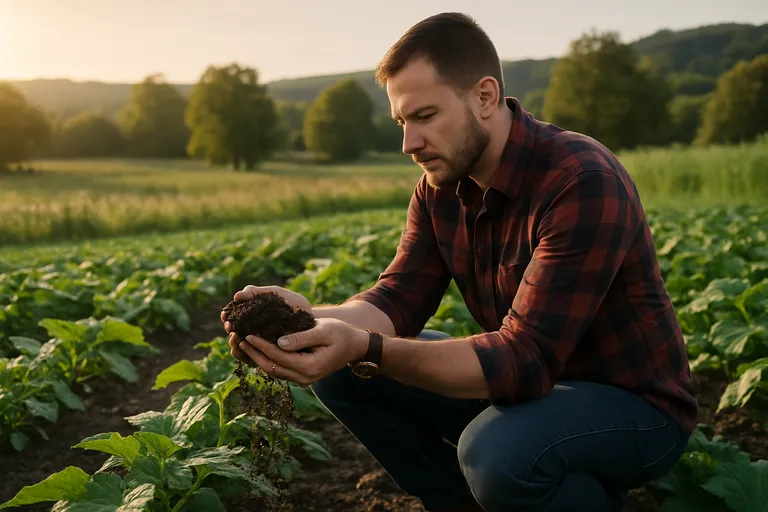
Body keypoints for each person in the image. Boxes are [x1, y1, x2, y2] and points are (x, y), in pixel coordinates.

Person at [221, 12, 698, 512]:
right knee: (346, 371)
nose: (409, 144)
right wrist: (308, 320)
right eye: (402, 122)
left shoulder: (580, 179)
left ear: (485, 97)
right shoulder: (439, 189)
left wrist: (366, 345)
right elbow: (397, 298)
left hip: (634, 409)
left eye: (424, 117)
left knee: (496, 451)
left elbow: (524, 358)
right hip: (533, 392)